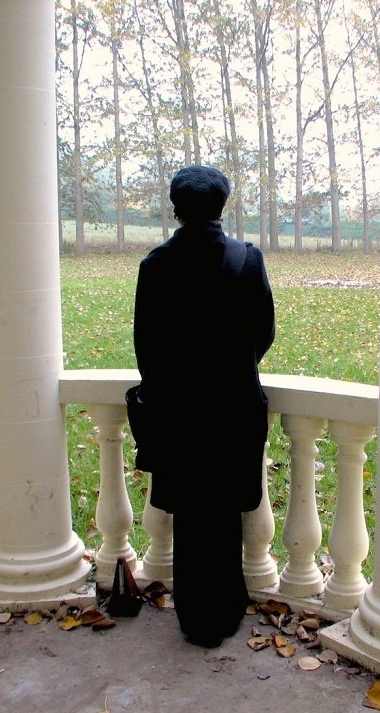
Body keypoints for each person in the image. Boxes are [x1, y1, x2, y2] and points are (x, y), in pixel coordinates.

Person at [132, 165, 275, 648]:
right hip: (232, 409)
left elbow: (146, 348)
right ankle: (225, 610)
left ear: (176, 208)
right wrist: (231, 368)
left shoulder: (154, 266)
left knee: (191, 517)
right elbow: (264, 333)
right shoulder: (246, 260)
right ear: (222, 207)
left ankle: (193, 616)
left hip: (178, 416)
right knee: (224, 513)